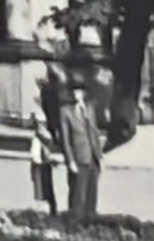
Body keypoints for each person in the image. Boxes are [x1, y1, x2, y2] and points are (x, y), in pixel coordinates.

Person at [58, 66, 104, 215]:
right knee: (78, 194)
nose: (76, 94)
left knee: (92, 194)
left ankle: (91, 220)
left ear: (84, 93)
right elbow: (65, 139)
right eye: (74, 91)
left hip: (92, 157)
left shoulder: (89, 109)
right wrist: (70, 160)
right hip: (78, 158)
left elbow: (94, 132)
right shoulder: (66, 111)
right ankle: (75, 220)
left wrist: (99, 155)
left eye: (79, 91)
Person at [30, 73, 61, 215]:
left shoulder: (47, 101)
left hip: (45, 144)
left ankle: (48, 206)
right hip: (43, 144)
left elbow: (44, 127)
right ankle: (47, 205)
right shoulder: (45, 101)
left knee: (43, 178)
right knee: (41, 177)